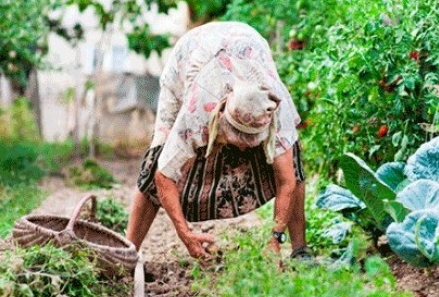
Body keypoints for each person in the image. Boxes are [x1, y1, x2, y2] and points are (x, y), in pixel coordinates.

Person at [125, 21, 311, 262]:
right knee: (155, 161)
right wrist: (186, 235)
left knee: (293, 163)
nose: (244, 147)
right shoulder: (198, 109)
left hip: (247, 45)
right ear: (221, 117)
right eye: (239, 139)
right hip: (190, 56)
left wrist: (276, 238)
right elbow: (164, 176)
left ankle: (300, 250)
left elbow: (287, 181)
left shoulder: (275, 108)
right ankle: (128, 251)